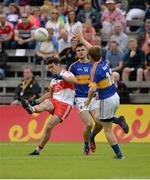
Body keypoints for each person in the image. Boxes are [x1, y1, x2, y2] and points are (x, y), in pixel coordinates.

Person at [21, 57, 77, 155]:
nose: (51, 69)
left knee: (49, 127)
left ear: (58, 65)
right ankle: (32, 108)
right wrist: (36, 101)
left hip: (65, 104)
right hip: (54, 101)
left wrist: (62, 77)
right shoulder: (54, 80)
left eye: (52, 67)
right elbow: (50, 94)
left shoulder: (66, 73)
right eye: (49, 68)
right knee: (46, 102)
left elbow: (74, 81)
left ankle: (38, 150)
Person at [84, 45, 125, 159]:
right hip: (115, 96)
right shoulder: (103, 61)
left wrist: (88, 100)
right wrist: (81, 38)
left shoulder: (94, 70)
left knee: (108, 130)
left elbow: (92, 89)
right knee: (98, 119)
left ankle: (119, 155)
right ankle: (92, 136)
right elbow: (92, 48)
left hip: (106, 100)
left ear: (90, 57)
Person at [69, 43, 103, 155]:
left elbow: (98, 80)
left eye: (82, 49)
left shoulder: (94, 64)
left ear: (87, 51)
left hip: (93, 97)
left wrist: (99, 91)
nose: (80, 52)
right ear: (76, 53)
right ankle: (86, 144)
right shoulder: (73, 67)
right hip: (81, 99)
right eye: (78, 50)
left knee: (99, 123)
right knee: (89, 124)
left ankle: (92, 137)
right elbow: (68, 82)